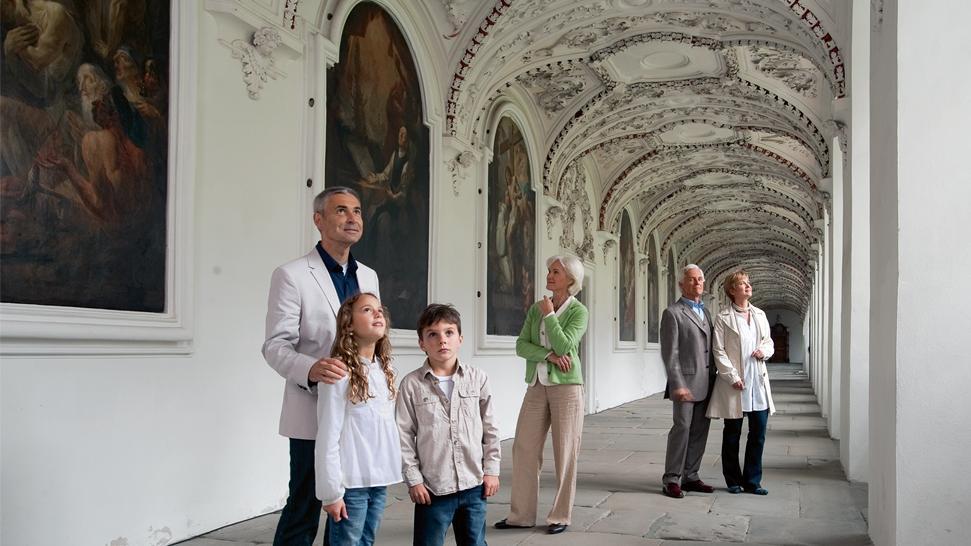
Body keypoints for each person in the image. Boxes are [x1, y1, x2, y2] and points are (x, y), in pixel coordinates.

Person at [262, 186, 378, 545]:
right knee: (303, 507)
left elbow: (372, 339)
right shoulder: (292, 275)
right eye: (341, 210)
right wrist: (311, 370)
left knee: (349, 510)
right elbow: (275, 346)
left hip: (359, 413)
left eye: (357, 211)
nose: (352, 218)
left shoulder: (369, 277)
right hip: (312, 411)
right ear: (319, 220)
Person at [495, 255, 588, 535]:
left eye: (556, 271)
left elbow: (565, 345)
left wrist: (549, 315)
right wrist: (547, 355)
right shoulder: (536, 308)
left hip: (567, 388)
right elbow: (522, 345)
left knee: (565, 452)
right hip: (536, 385)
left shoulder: (578, 311)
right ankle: (521, 515)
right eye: (549, 270)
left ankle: (560, 516)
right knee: (523, 447)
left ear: (570, 278)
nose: (549, 275)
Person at [396, 304, 501, 546]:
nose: (442, 340)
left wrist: (492, 470)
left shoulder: (477, 378)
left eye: (449, 332)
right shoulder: (411, 385)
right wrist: (414, 479)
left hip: (474, 485)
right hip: (433, 489)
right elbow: (402, 435)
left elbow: (491, 428)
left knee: (474, 542)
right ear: (422, 343)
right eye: (433, 334)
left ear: (460, 338)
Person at [316, 292, 402, 546]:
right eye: (366, 310)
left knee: (366, 541)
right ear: (349, 325)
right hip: (351, 484)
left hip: (378, 482)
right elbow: (328, 434)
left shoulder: (382, 372)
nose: (377, 313)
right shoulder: (338, 372)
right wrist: (331, 492)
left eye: (379, 309)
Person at [706, 270, 776, 495]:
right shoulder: (723, 317)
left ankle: (753, 481)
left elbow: (769, 342)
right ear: (732, 290)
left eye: (748, 283)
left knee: (759, 433)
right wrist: (733, 377)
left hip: (758, 381)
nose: (748, 286)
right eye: (742, 284)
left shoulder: (760, 315)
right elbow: (718, 350)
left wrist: (763, 351)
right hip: (735, 383)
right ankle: (733, 480)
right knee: (732, 434)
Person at [660, 264, 716, 499]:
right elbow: (670, 353)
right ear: (681, 284)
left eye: (700, 279)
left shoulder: (707, 312)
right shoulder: (673, 313)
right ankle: (671, 478)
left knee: (700, 431)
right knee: (681, 429)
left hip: (708, 381)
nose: (697, 283)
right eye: (691, 280)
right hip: (685, 383)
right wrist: (677, 384)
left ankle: (691, 476)